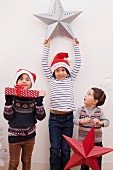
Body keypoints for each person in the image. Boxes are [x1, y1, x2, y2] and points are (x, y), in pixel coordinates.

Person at [42, 38, 81, 170]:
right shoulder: (51, 80)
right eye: (58, 70)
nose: (61, 73)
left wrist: (76, 46)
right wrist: (47, 47)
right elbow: (43, 63)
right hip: (54, 119)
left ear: (68, 72)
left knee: (65, 150)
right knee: (55, 149)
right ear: (53, 72)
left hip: (68, 119)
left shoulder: (70, 79)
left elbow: (78, 63)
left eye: (63, 70)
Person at [3, 69, 46, 170]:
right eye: (21, 79)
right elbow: (7, 116)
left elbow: (40, 117)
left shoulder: (34, 99)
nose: (24, 81)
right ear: (16, 82)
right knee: (14, 162)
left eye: (27, 79)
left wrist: (39, 103)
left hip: (30, 137)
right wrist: (8, 102)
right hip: (14, 136)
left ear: (31, 84)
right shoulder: (13, 98)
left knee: (26, 160)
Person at [73, 87, 109, 170]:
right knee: (84, 164)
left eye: (89, 94)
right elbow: (75, 120)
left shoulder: (99, 111)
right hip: (84, 143)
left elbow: (107, 122)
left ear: (95, 101)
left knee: (96, 164)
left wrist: (100, 123)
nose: (85, 95)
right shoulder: (80, 109)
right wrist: (81, 121)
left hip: (97, 143)